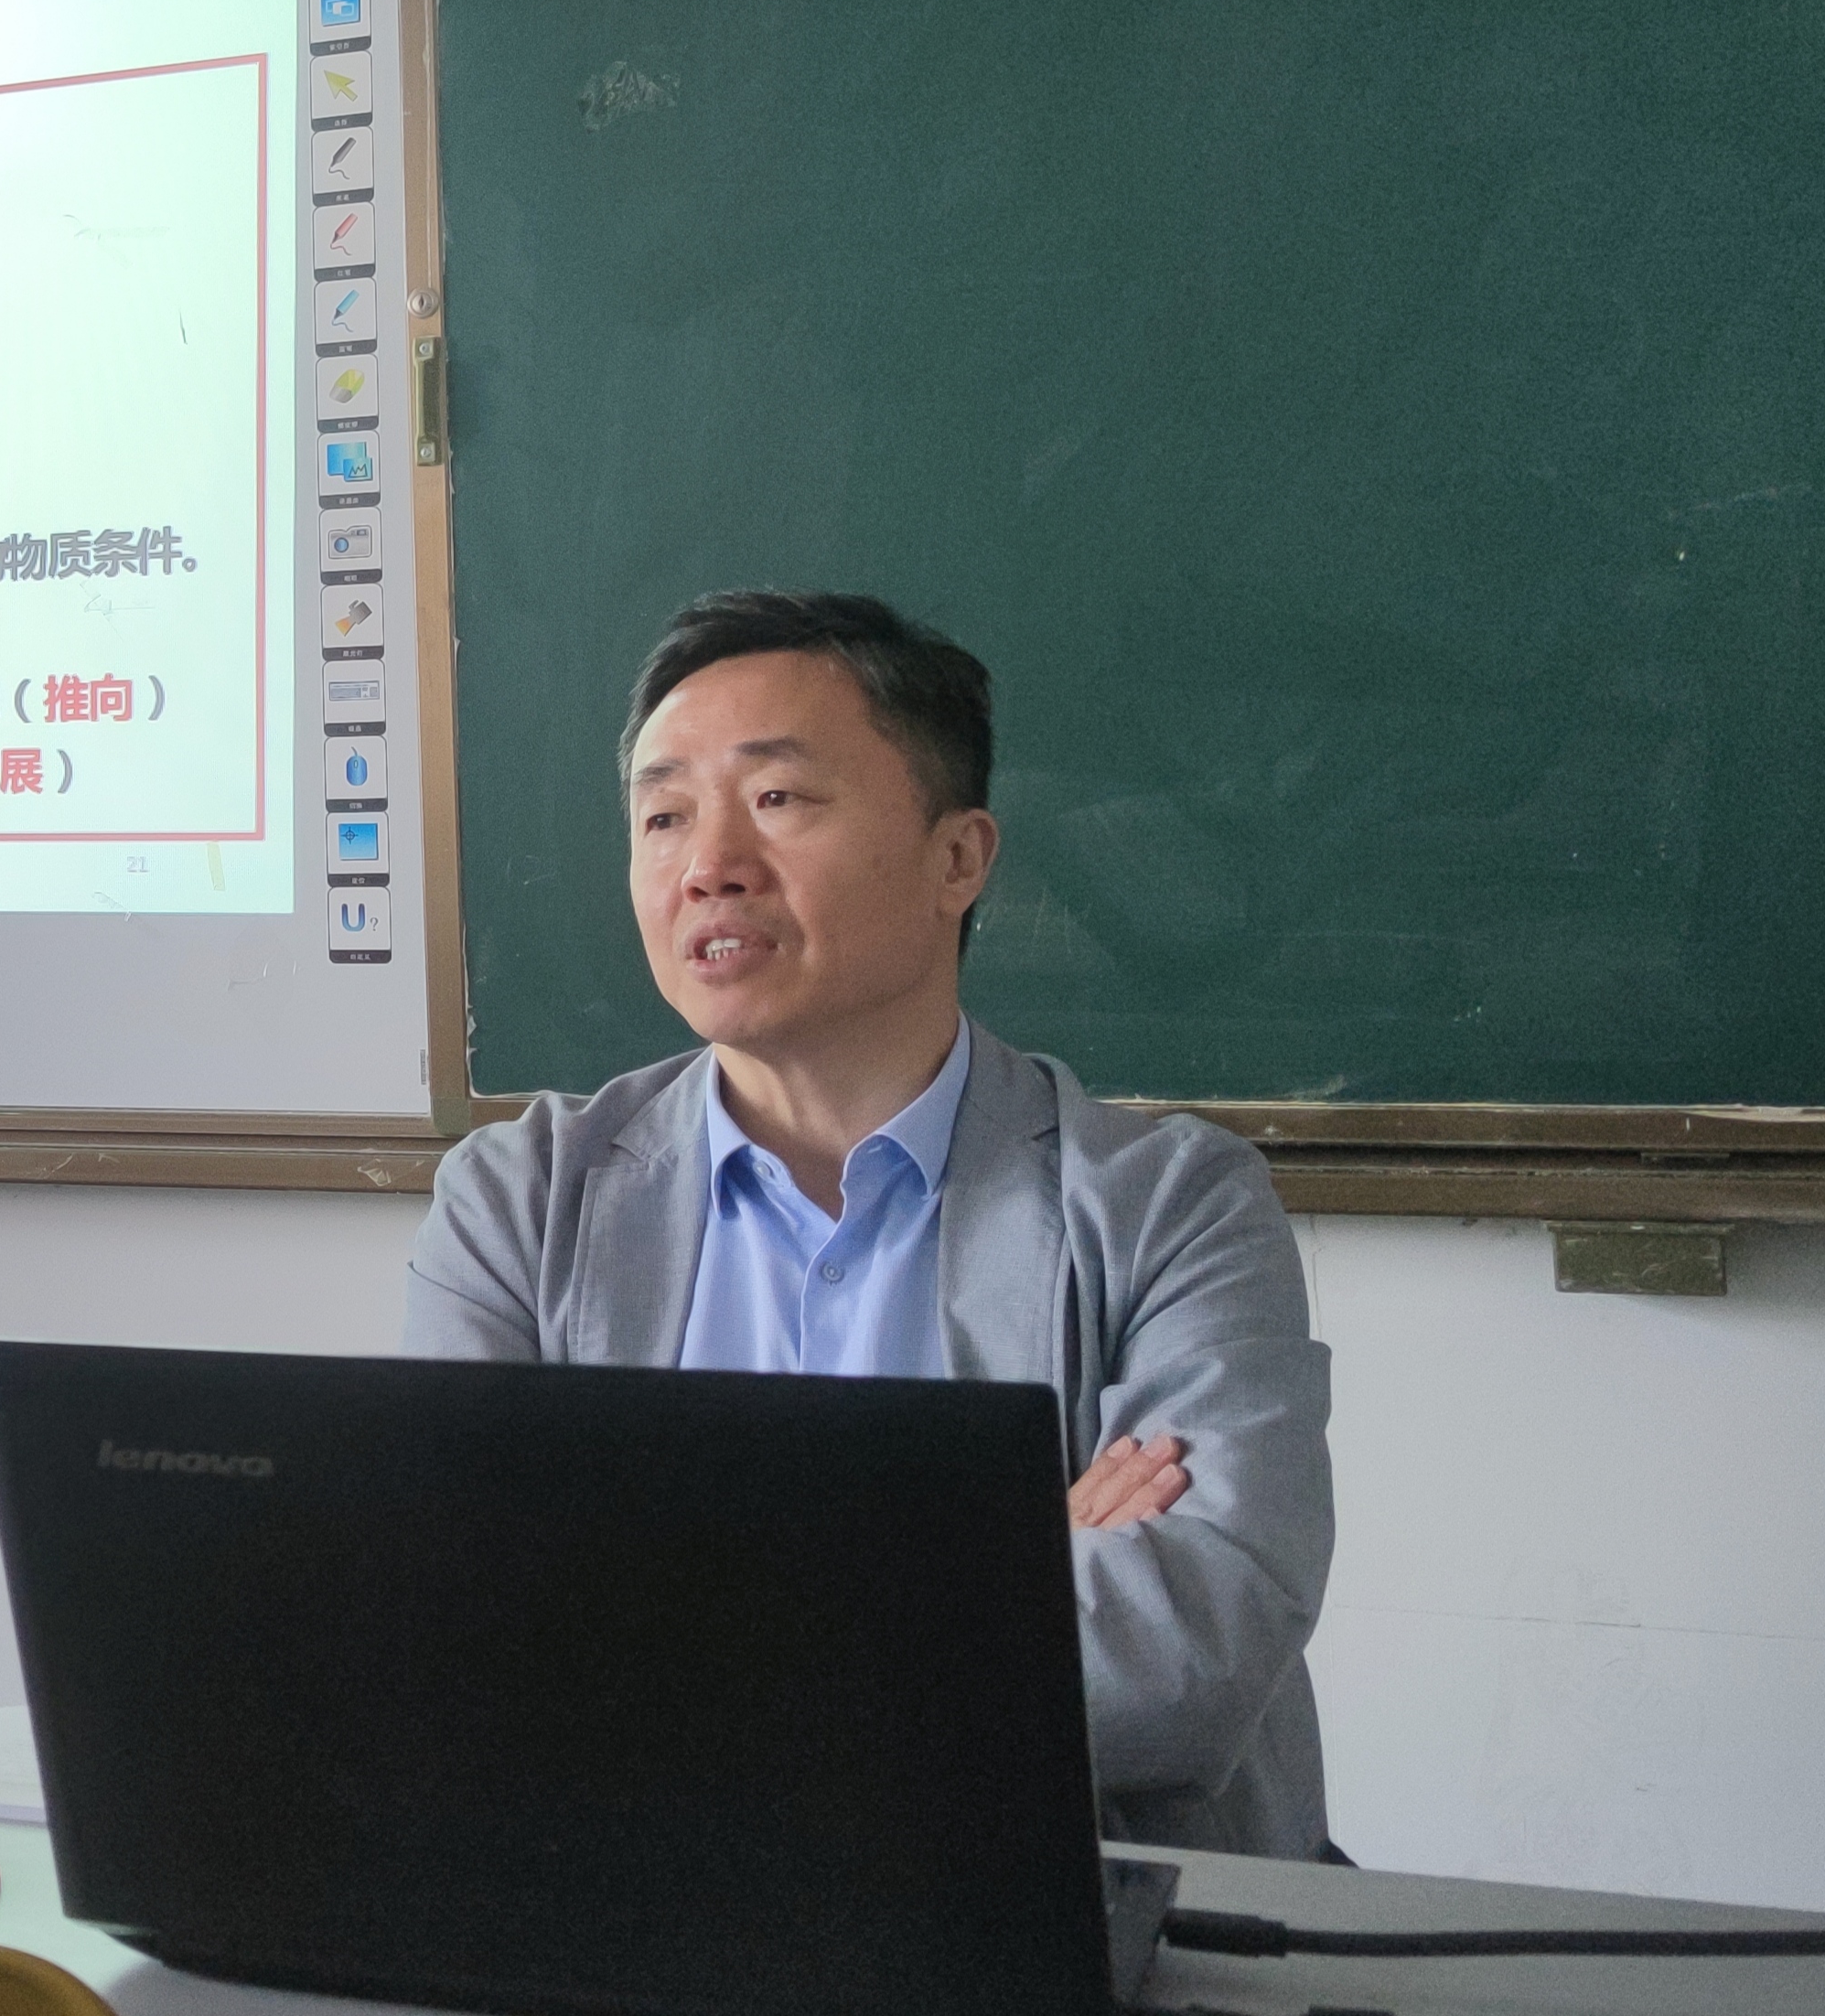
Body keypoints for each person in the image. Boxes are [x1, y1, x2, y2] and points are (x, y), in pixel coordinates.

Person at [405, 589, 1333, 1858]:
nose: (709, 864)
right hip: (645, 1905)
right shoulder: (523, 1199)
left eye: (778, 798)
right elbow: (463, 1626)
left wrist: (654, 1640)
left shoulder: (1172, 1204)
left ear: (960, 859)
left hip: (1076, 1912)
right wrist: (1001, 1576)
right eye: (664, 816)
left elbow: (1185, 1651)